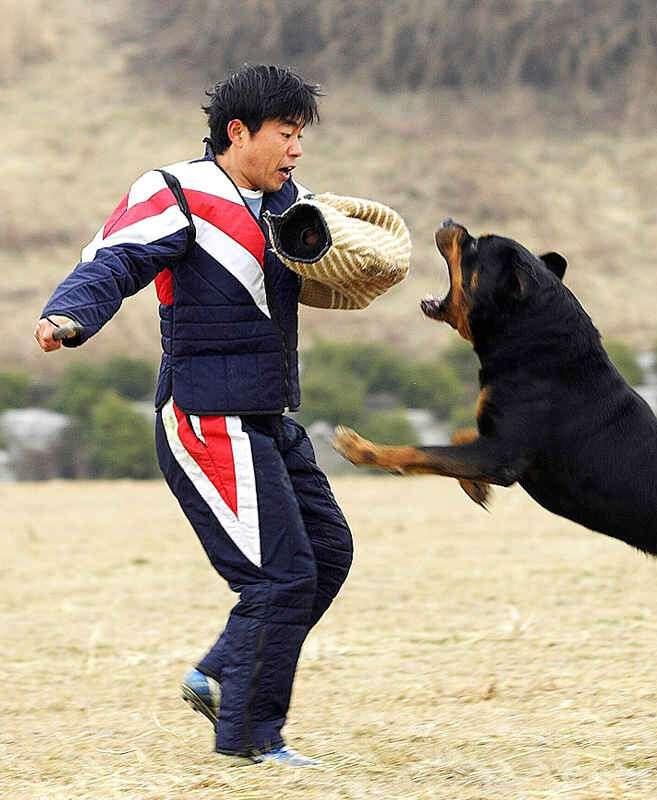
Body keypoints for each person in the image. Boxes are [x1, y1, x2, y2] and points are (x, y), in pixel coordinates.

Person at [34, 64, 354, 767]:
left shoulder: (285, 201)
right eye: (286, 134)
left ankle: (217, 674)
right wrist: (69, 316)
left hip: (266, 413)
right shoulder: (176, 191)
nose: (297, 149)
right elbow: (112, 262)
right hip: (207, 416)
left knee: (326, 555)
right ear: (239, 132)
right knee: (278, 575)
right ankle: (250, 738)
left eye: (301, 135)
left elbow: (319, 274)